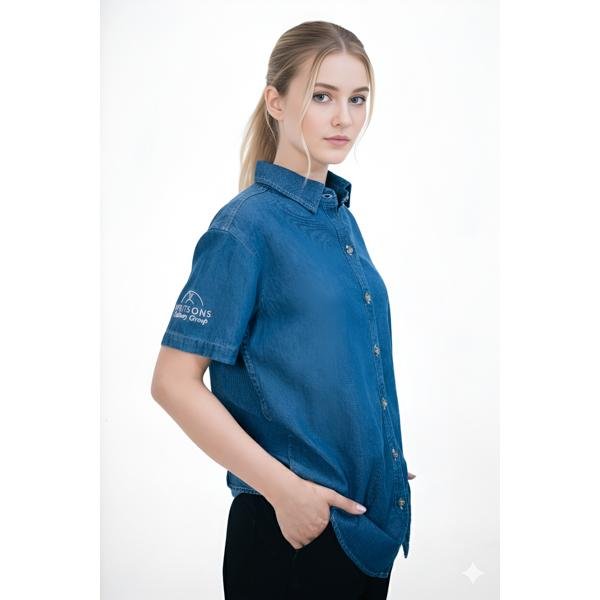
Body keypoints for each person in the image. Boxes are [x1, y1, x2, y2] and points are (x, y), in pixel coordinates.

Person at [151, 20, 415, 600]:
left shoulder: (339, 221)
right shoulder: (244, 229)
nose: (343, 118)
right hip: (289, 535)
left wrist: (371, 453)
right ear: (276, 101)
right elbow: (172, 382)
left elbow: (326, 365)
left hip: (359, 528)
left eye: (357, 99)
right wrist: (286, 491)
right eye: (322, 96)